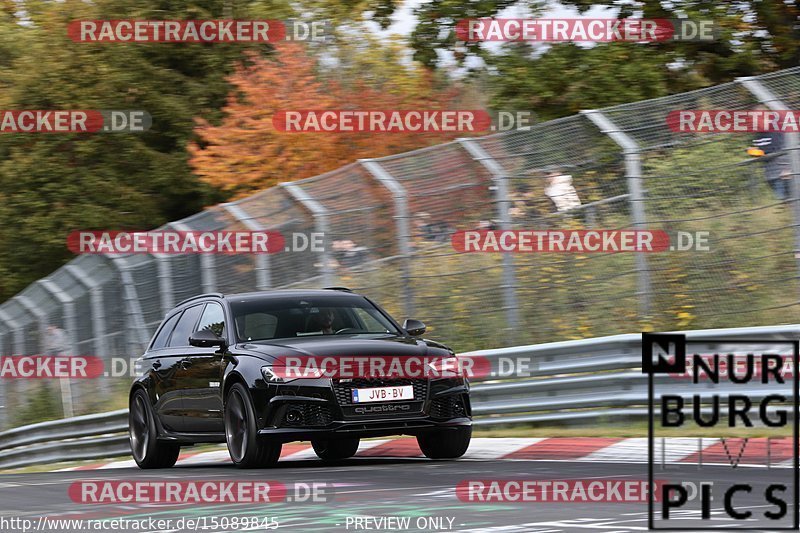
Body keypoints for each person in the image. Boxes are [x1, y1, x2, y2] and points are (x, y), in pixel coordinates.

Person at [750, 131, 789, 200]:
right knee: (785, 199)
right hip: (771, 174)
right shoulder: (757, 136)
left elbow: (778, 150)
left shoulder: (777, 132)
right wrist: (754, 152)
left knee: (790, 198)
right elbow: (763, 153)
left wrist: (787, 168)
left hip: (783, 171)